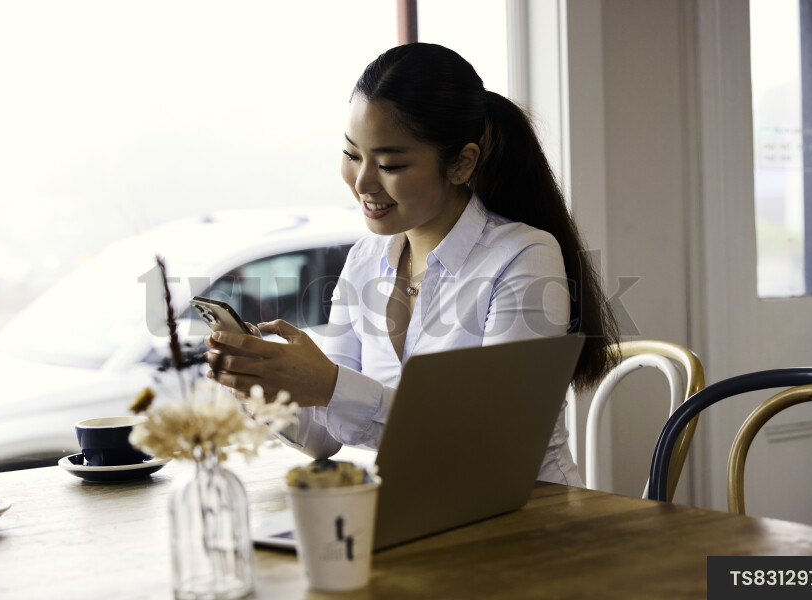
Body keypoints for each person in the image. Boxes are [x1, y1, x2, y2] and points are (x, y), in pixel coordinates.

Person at [205, 43, 618, 486]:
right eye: (351, 155)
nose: (362, 182)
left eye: (390, 163)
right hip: (414, 514)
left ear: (461, 163)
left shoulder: (523, 256)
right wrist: (264, 388)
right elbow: (322, 438)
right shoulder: (365, 260)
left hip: (530, 513)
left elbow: (495, 443)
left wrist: (329, 384)